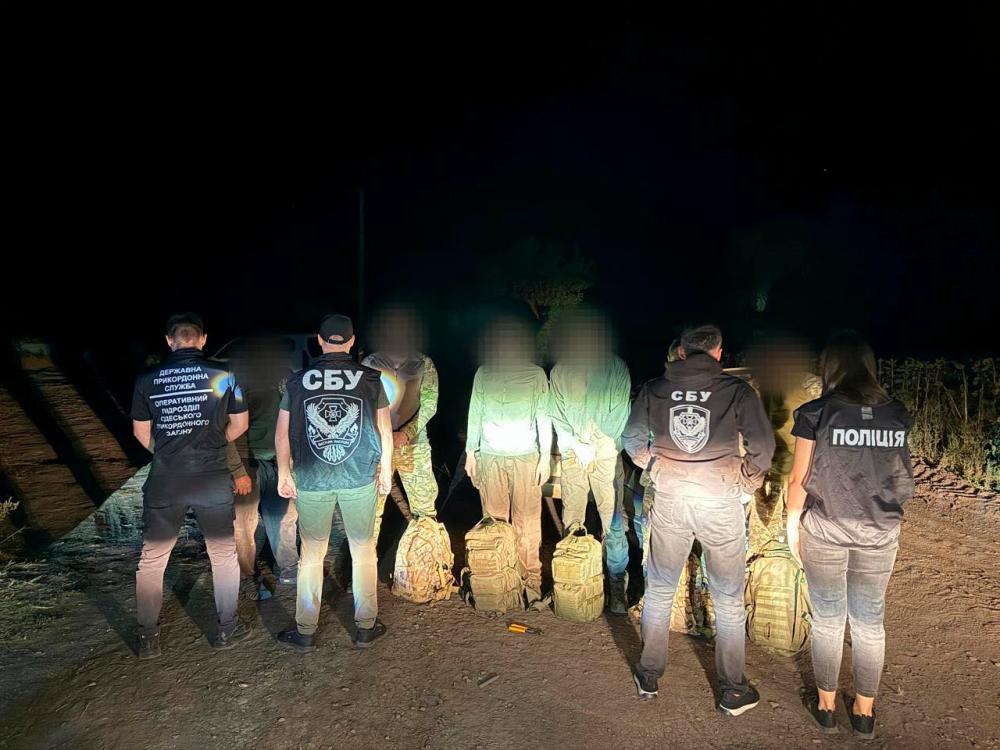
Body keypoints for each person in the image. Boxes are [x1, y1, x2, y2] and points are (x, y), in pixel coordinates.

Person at [623, 324, 774, 713]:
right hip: (720, 500)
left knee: (660, 588)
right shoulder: (737, 391)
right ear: (719, 353)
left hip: (671, 498)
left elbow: (632, 440)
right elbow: (762, 445)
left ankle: (649, 675)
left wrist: (655, 467)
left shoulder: (655, 388)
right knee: (728, 597)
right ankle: (733, 690)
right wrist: (747, 483)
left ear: (682, 353)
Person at [786, 332, 914, 740]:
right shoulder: (897, 414)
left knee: (827, 617)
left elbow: (798, 479)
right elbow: (895, 473)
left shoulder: (815, 413)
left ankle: (826, 707)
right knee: (869, 622)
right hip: (879, 531)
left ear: (830, 369)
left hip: (826, 528)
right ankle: (864, 713)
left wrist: (791, 525)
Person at [130, 313, 252, 658]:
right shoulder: (225, 375)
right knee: (223, 554)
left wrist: (170, 453)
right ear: (203, 339)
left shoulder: (146, 380)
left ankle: (148, 637)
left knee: (153, 558)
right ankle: (227, 627)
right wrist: (212, 446)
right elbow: (240, 424)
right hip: (211, 478)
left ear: (169, 341)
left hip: (166, 479)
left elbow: (140, 432)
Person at [276, 314, 392, 651]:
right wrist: (386, 469)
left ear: (319, 340)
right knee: (363, 549)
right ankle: (366, 626)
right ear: (352, 341)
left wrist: (284, 472)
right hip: (359, 476)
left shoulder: (297, 381)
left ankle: (305, 629)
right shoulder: (370, 379)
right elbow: (384, 430)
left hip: (312, 478)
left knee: (312, 554)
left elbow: (282, 433)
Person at [548, 309, 632, 613]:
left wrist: (594, 446)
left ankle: (616, 585)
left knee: (613, 521)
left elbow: (619, 416)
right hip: (573, 456)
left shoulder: (616, 368)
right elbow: (556, 414)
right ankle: (576, 582)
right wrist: (575, 444)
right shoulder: (560, 371)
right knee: (573, 517)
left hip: (606, 454)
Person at [465, 318, 551, 606]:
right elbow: (475, 412)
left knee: (528, 524)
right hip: (491, 457)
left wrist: (545, 457)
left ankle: (531, 584)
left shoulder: (535, 374)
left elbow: (544, 417)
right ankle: (498, 582)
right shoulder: (484, 373)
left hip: (526, 457)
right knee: (494, 522)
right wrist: (470, 452)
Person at [225, 338, 299, 600]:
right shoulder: (235, 385)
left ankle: (288, 567)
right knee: (243, 524)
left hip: (279, 460)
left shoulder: (286, 379)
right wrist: (237, 471)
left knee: (284, 516)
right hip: (247, 463)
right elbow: (224, 431)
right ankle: (247, 576)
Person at [361, 305, 440, 543]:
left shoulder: (423, 363)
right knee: (370, 512)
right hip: (376, 447)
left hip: (414, 447)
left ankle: (425, 558)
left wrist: (406, 433)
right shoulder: (369, 363)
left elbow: (430, 404)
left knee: (424, 510)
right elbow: (361, 405)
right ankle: (366, 563)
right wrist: (382, 435)